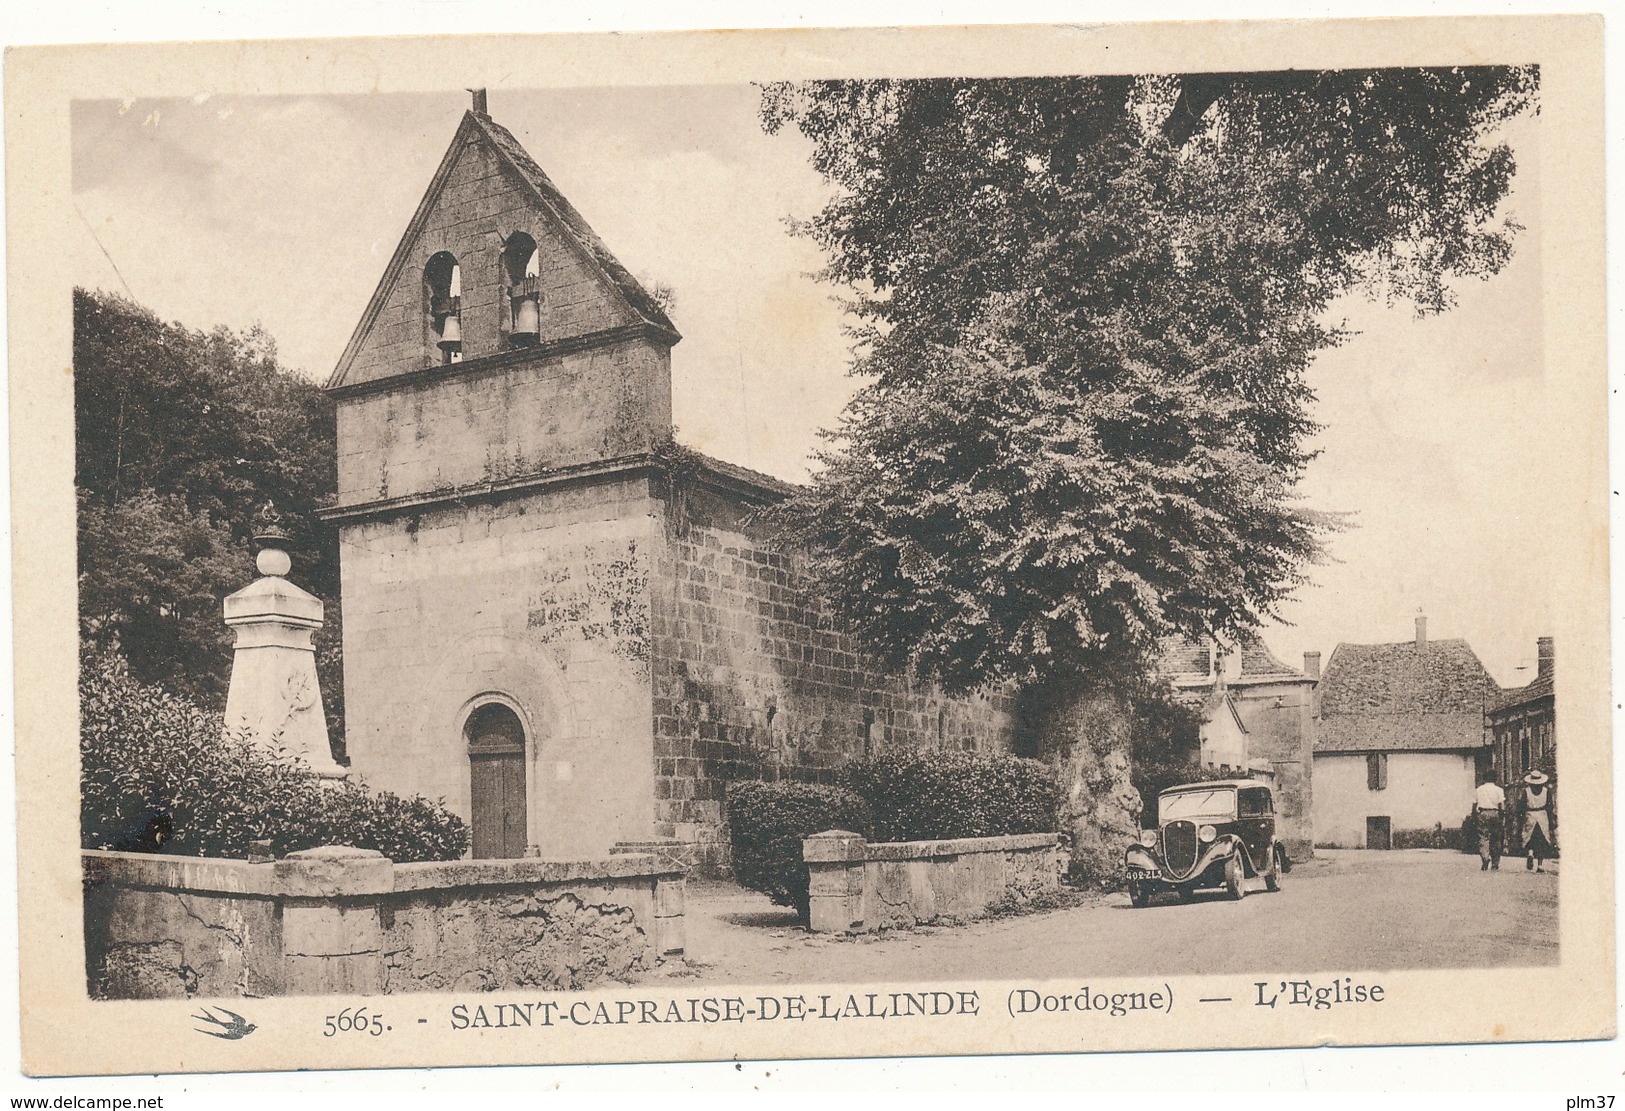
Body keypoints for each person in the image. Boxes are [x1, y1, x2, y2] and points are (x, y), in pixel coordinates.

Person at [1520, 769, 1555, 872]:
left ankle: (1530, 854)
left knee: (1530, 837)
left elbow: (1522, 805)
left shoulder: (1526, 791)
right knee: (1542, 840)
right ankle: (1540, 865)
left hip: (1530, 815)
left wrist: (1522, 817)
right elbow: (1550, 806)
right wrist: (1550, 818)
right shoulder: (1546, 791)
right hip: (1542, 816)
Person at [1473, 771, 1506, 871]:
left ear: (1484, 779)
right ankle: (1495, 863)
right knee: (1496, 838)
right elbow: (1502, 805)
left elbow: (1474, 804)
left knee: (1483, 837)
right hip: (1495, 813)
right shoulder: (1499, 790)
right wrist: (1502, 816)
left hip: (1483, 813)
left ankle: (1485, 858)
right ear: (1495, 779)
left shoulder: (1479, 789)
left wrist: (1475, 815)